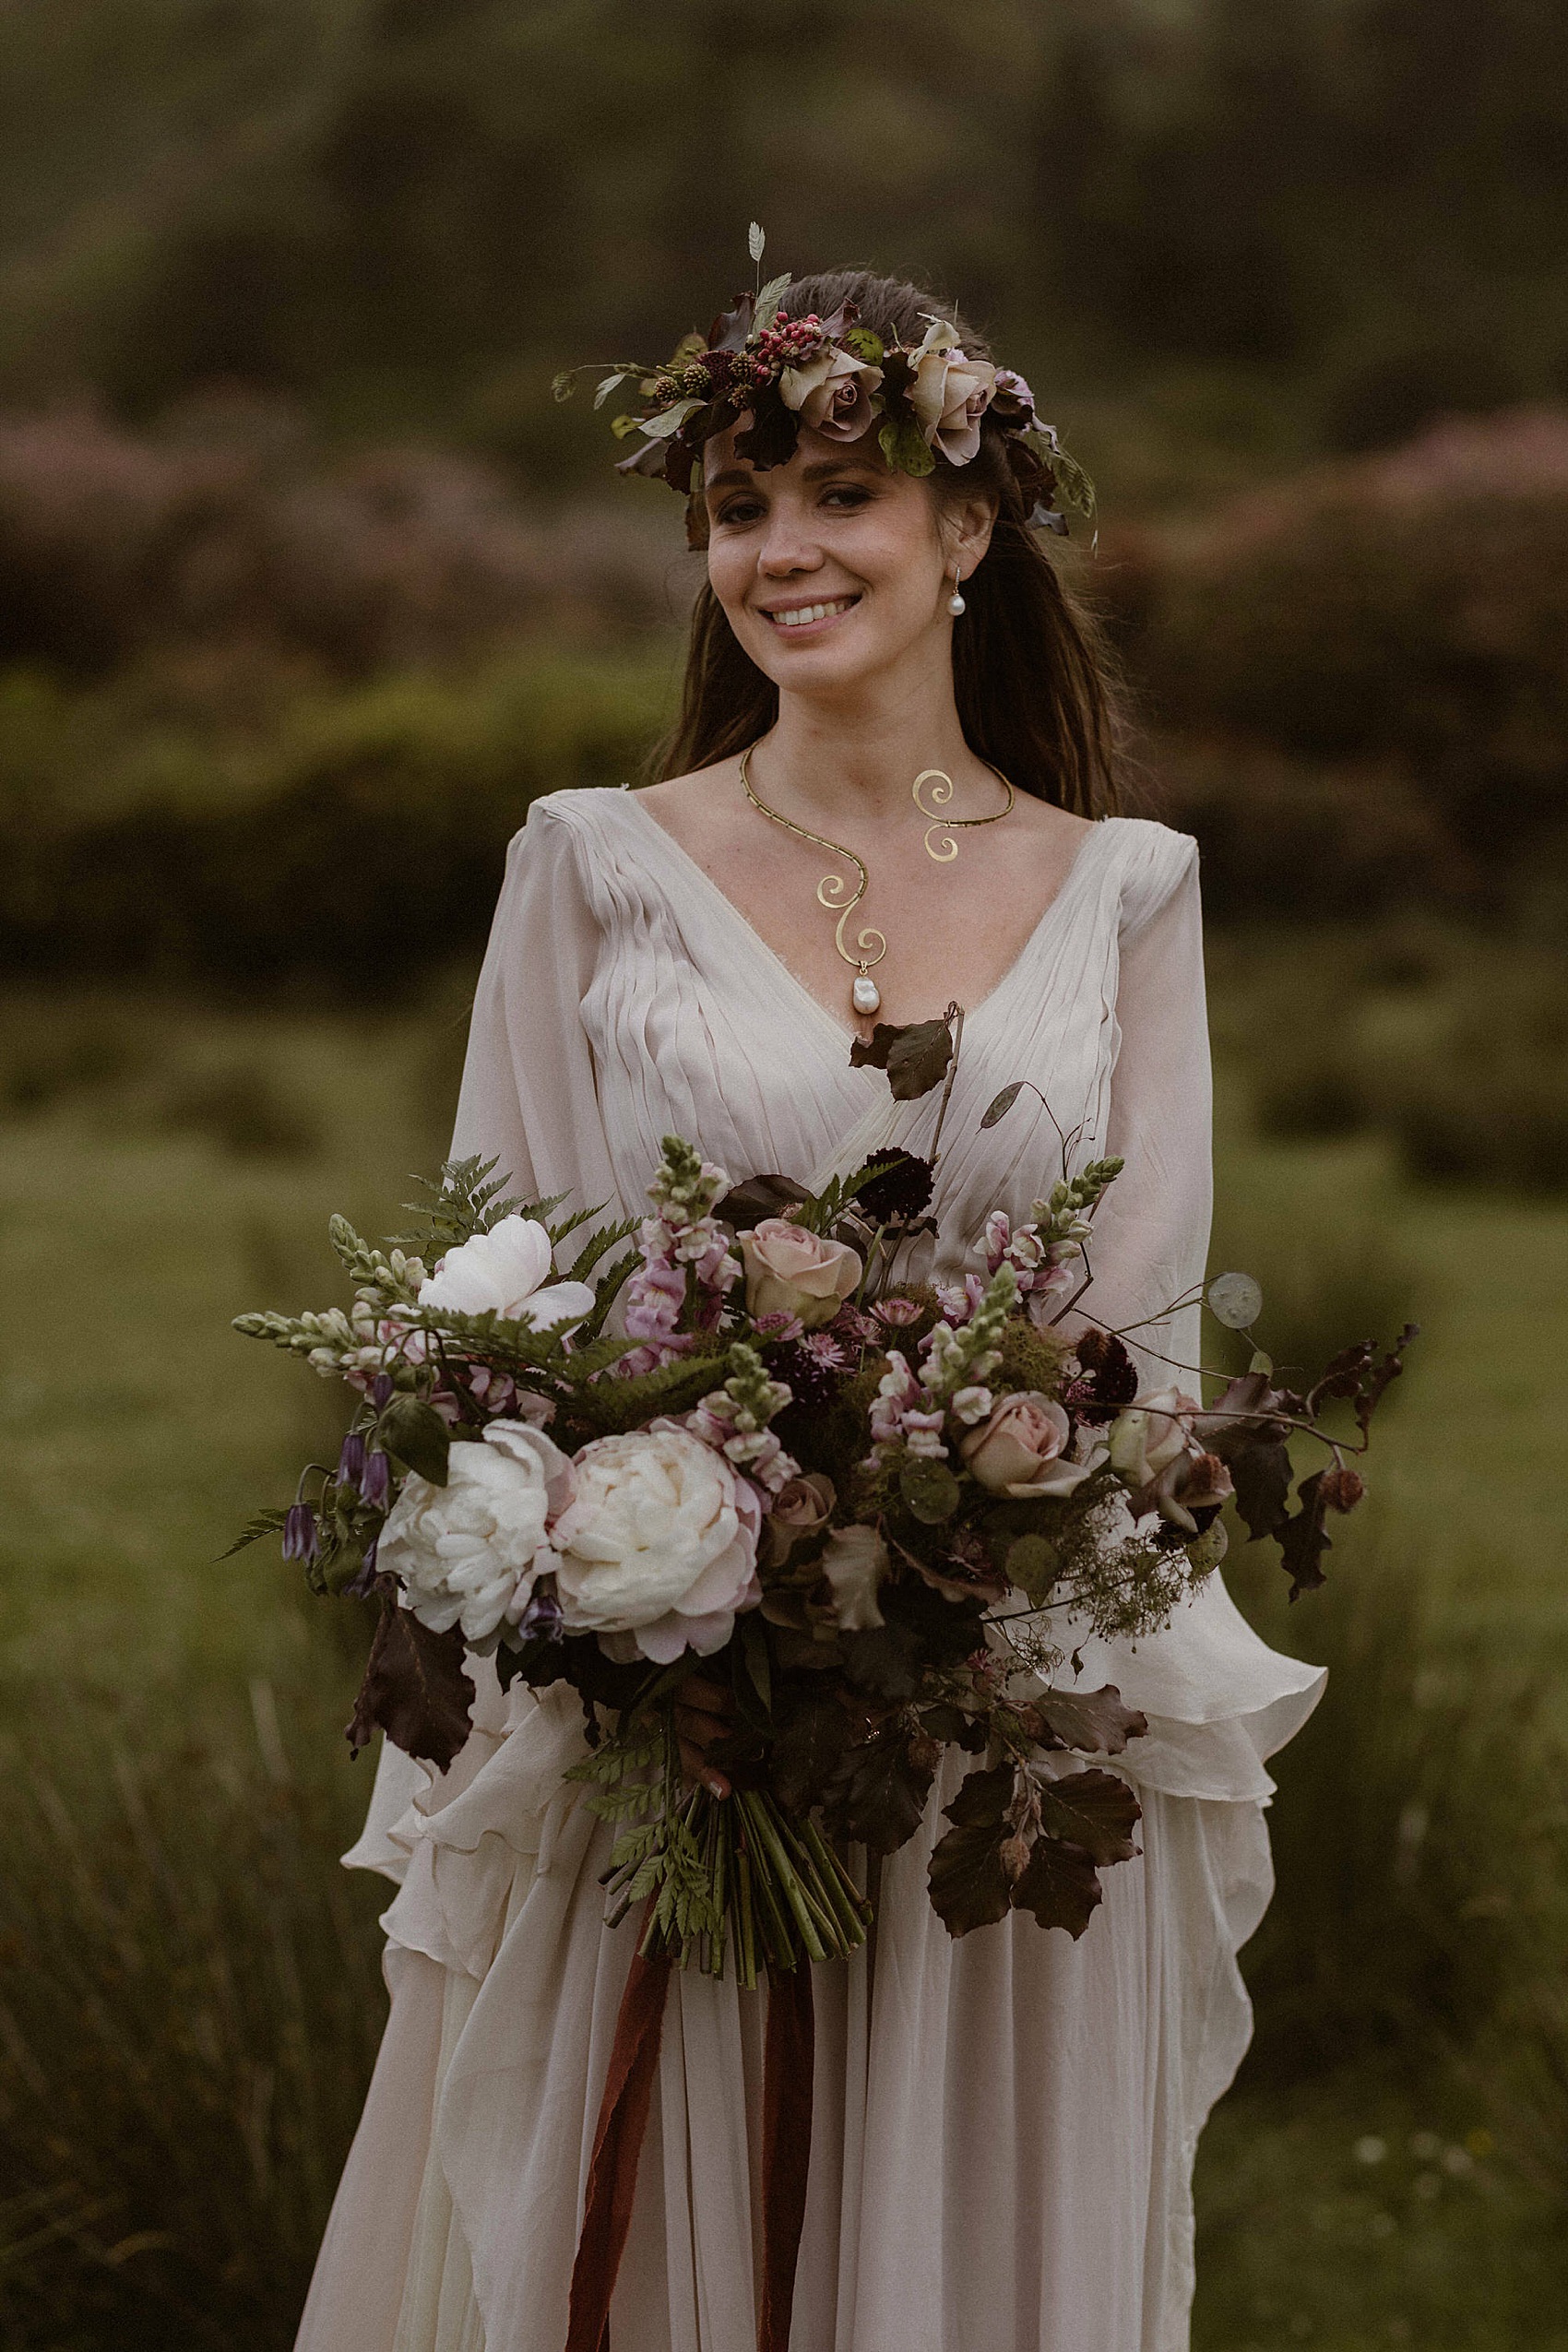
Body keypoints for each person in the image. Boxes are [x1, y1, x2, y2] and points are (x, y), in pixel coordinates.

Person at [294, 268, 1324, 2352]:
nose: (777, 550)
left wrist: (974, 1549)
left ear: (966, 529)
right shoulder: (591, 863)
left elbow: (1143, 1333)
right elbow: (529, 1277)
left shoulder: (1128, 884)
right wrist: (627, 1565)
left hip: (1008, 1708)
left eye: (838, 491)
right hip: (680, 1717)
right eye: (734, 504)